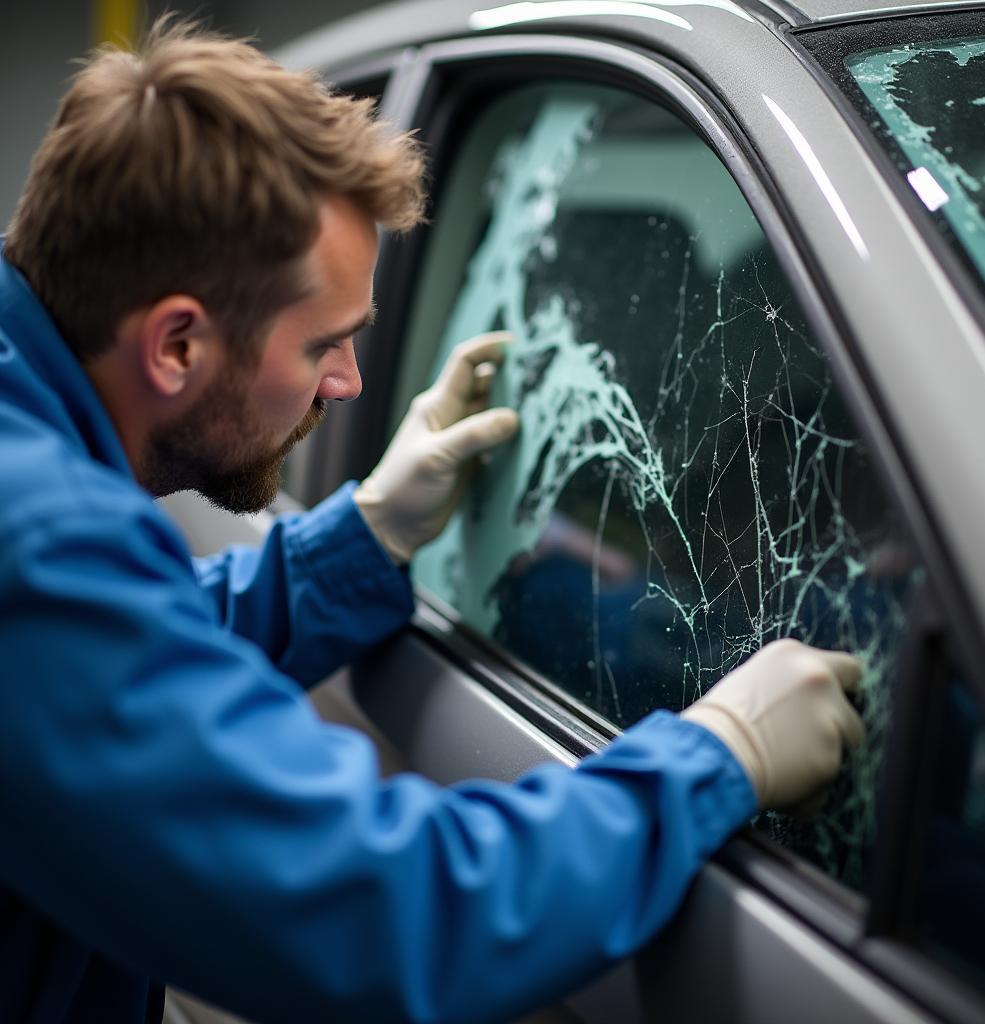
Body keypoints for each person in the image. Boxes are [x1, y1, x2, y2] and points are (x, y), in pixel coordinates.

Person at [0, 18, 865, 1024]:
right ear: (178, 344)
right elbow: (379, 911)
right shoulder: (34, 533)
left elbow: (111, 662)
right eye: (324, 343)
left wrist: (362, 537)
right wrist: (716, 754)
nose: (350, 383)